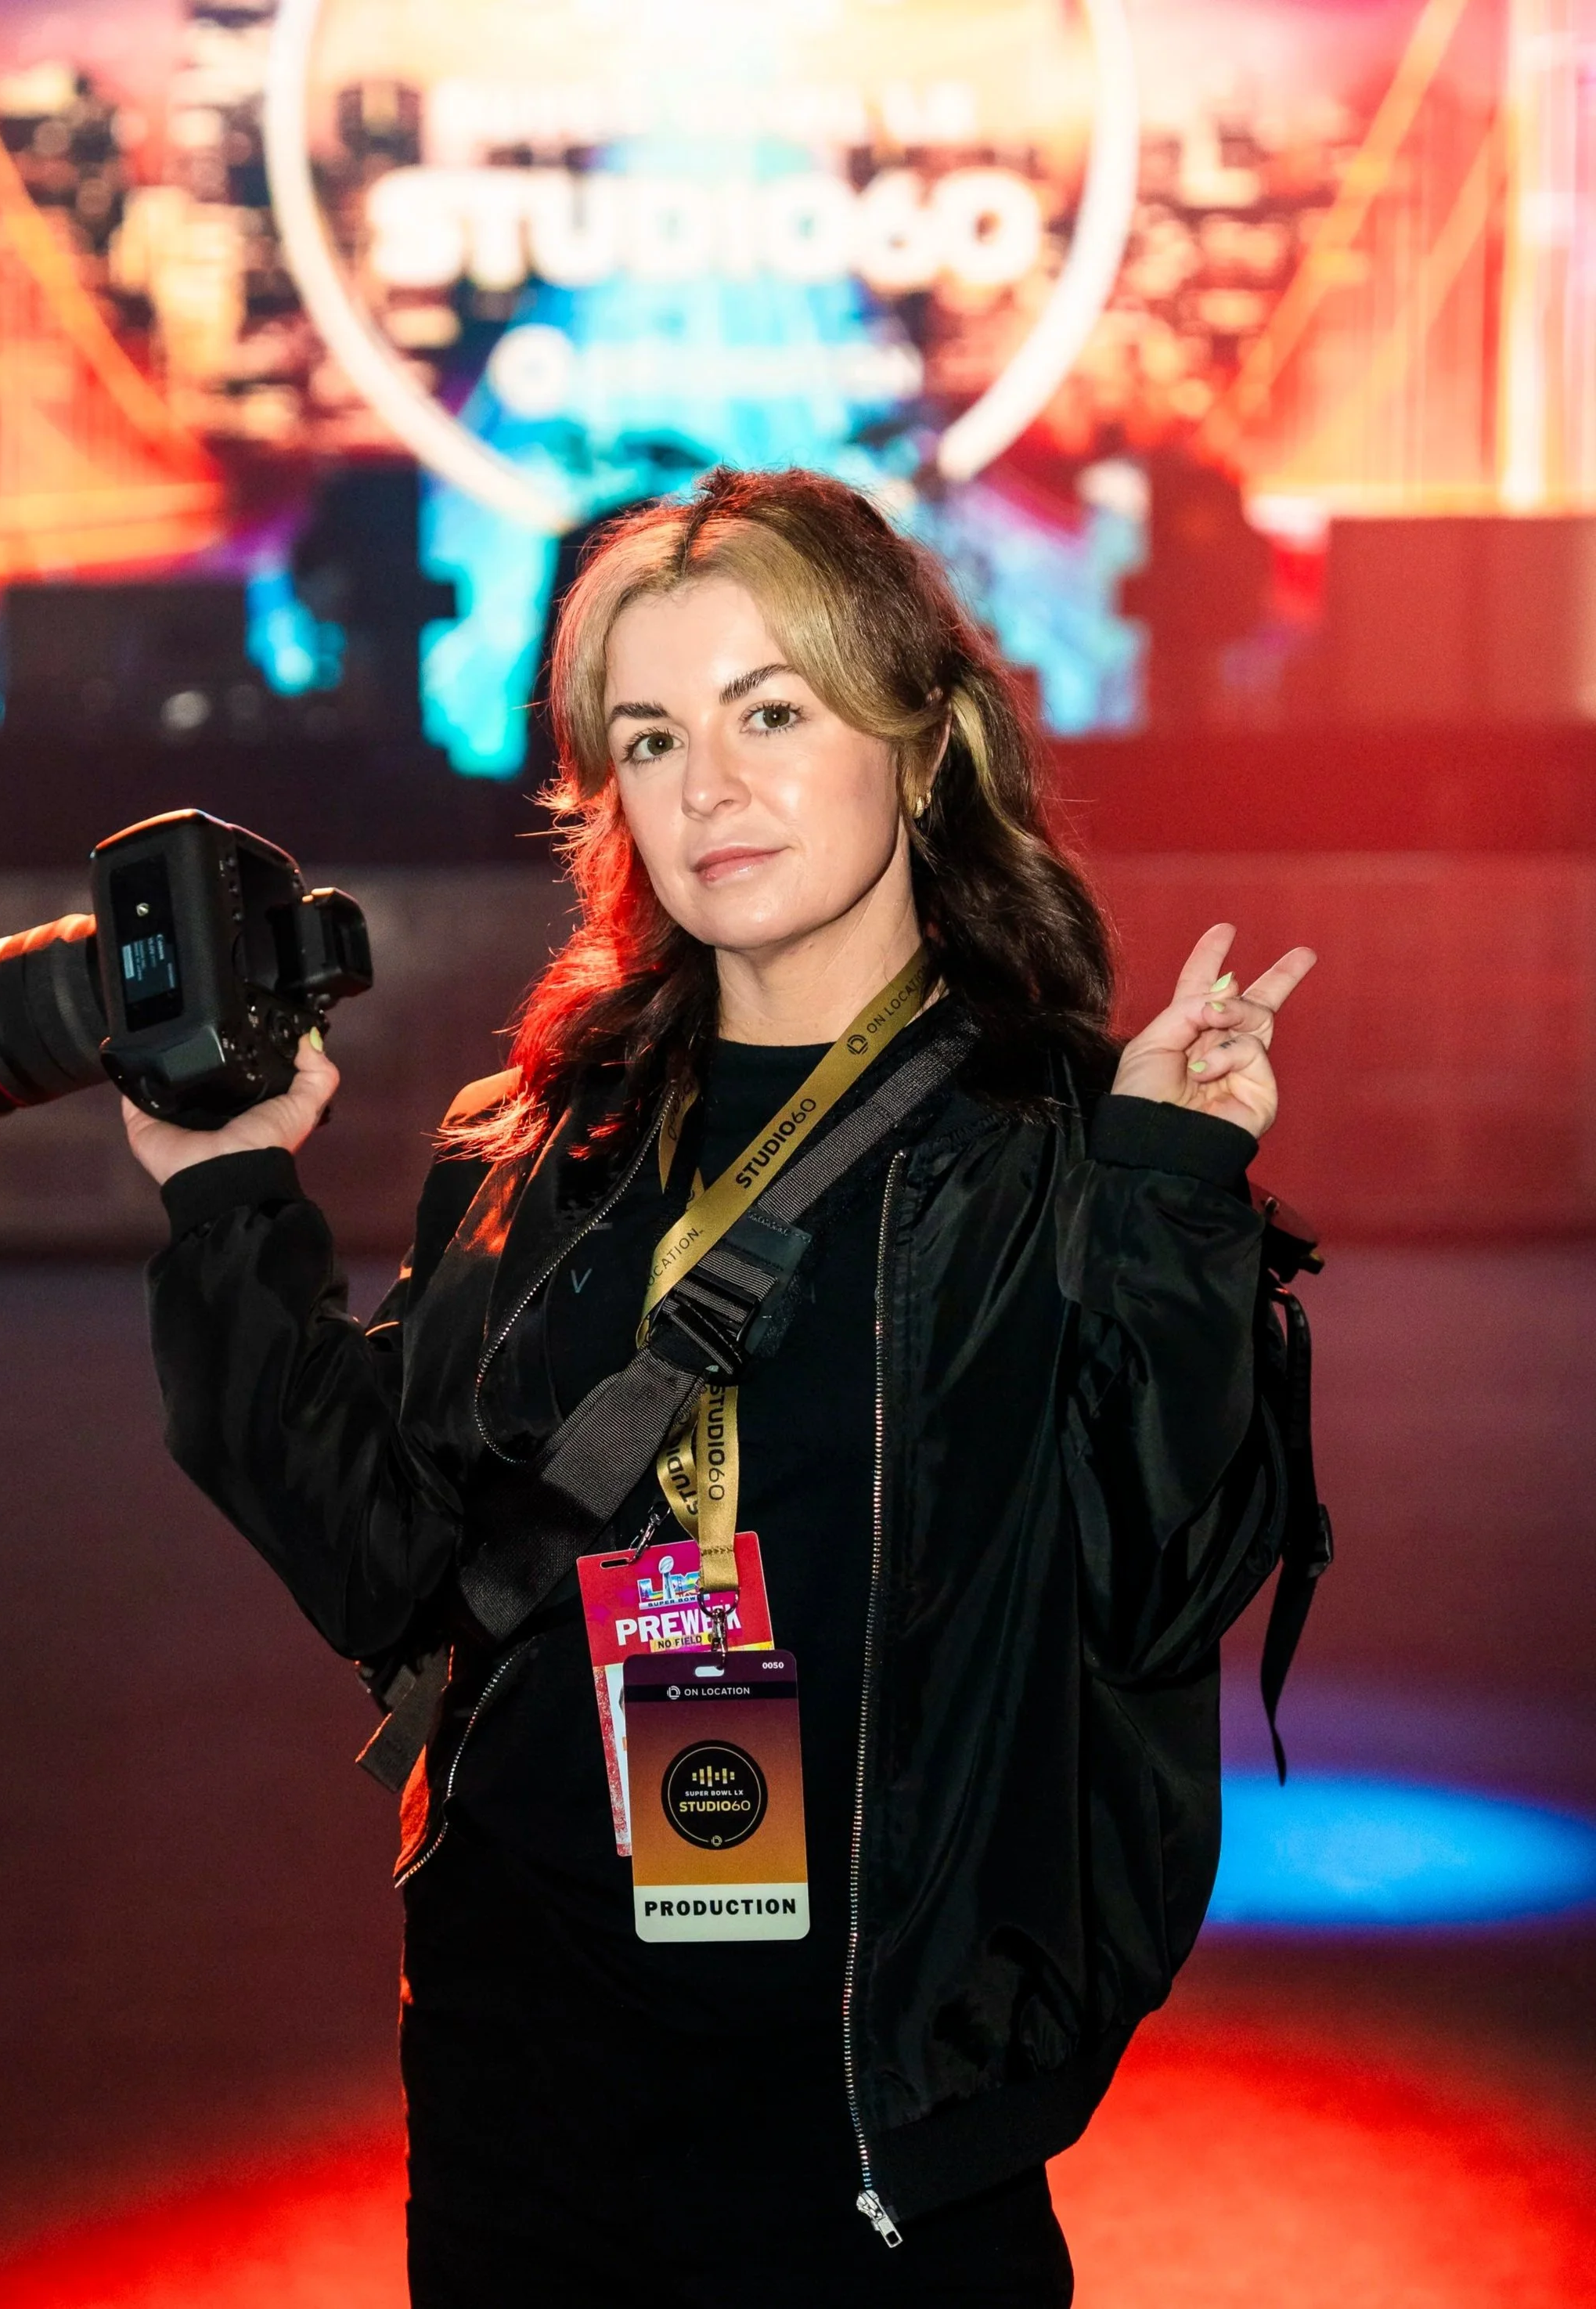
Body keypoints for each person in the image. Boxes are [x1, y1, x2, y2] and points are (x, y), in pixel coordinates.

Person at [126, 466, 1316, 2307]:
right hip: (525, 2092)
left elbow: (1159, 1578)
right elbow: (385, 1563)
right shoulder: (536, 1143)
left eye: (772, 712)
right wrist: (226, 1203)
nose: (707, 787)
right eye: (650, 736)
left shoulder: (1059, 1148)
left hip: (872, 2118)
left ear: (923, 741)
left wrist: (1167, 1195)